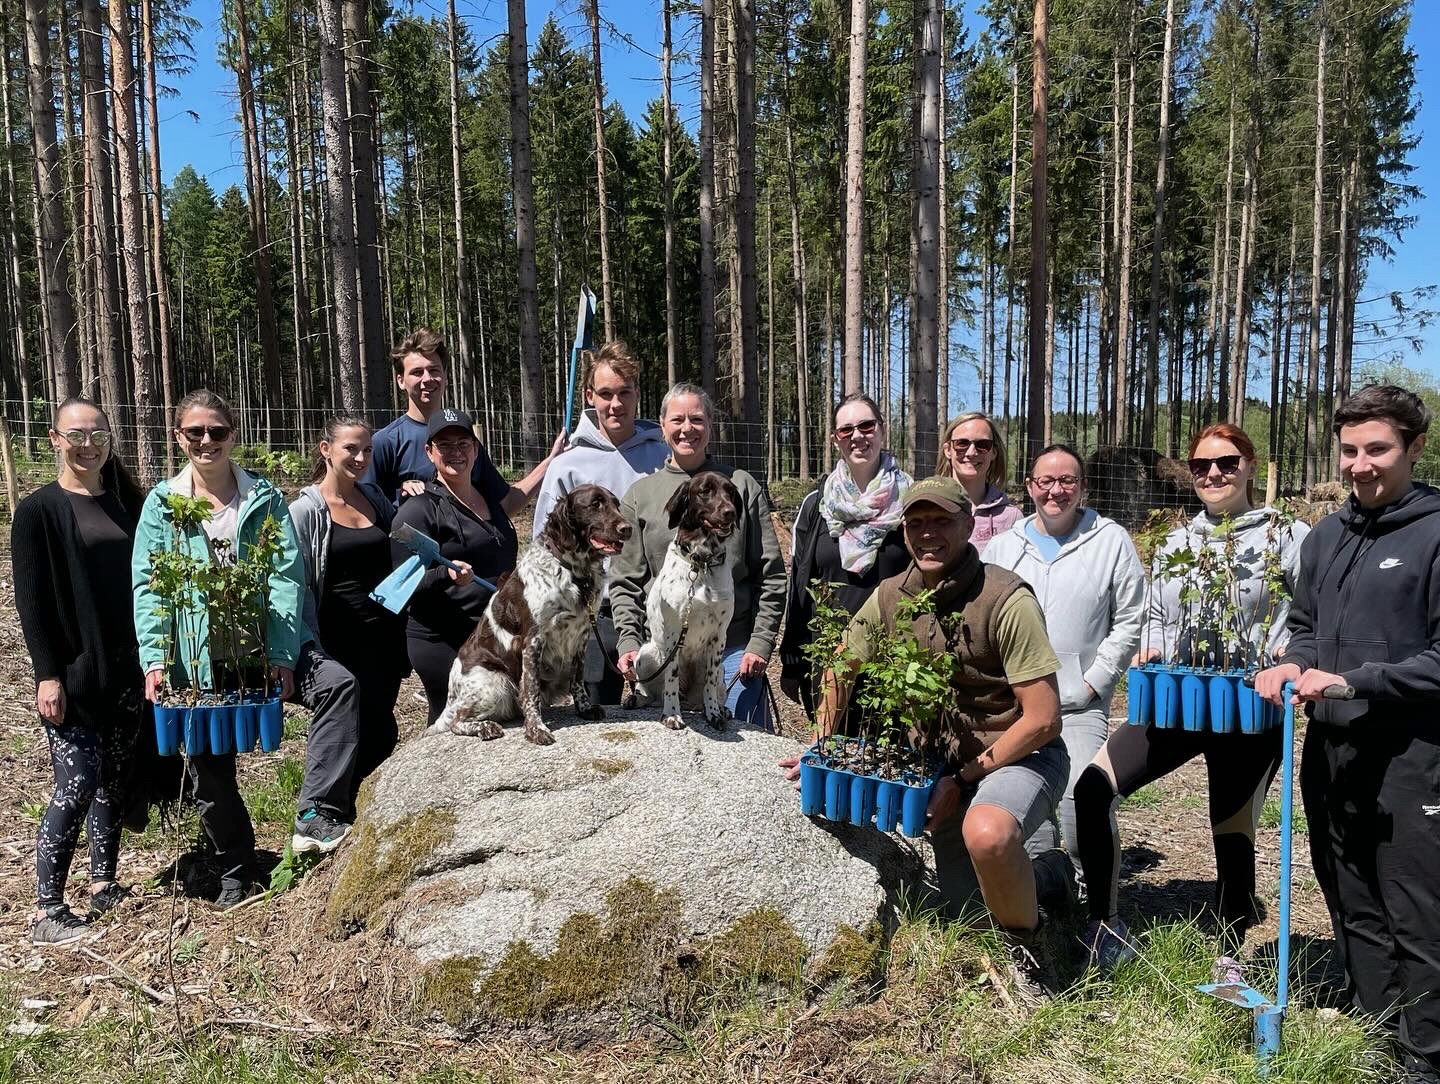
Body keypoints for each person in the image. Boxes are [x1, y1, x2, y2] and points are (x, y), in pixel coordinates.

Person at [785, 476, 1066, 1003]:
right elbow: (841, 667)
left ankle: (1033, 953)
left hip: (1018, 755)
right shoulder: (893, 595)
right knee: (965, 919)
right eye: (916, 523)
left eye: (941, 522)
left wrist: (962, 780)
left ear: (969, 525)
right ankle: (1048, 873)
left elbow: (1044, 719)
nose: (928, 534)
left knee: (988, 833)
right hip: (940, 766)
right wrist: (820, 745)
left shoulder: (1004, 599)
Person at [1072, 422, 1308, 976]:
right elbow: (1155, 617)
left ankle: (1232, 949)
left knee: (1231, 825)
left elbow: (1309, 616)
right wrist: (1150, 648)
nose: (1214, 475)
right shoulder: (1179, 541)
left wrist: (1290, 660)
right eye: (1201, 466)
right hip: (1180, 699)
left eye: (1226, 463)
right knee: (1093, 787)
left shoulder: (1287, 536)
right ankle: (1104, 924)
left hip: (1251, 704)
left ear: (1250, 465)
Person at [1255, 385, 1440, 1084]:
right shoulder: (1328, 536)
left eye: (1378, 450)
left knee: (1416, 908)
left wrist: (1352, 681)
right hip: (1329, 750)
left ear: (1415, 448)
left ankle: (1427, 1057)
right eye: (1350, 450)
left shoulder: (1434, 532)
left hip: (1414, 757)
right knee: (1352, 898)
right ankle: (1377, 1033)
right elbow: (1304, 626)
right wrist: (1293, 664)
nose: (1360, 465)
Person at [132, 391, 363, 906]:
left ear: (233, 435)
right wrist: (156, 658)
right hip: (198, 656)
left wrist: (282, 655)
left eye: (217, 431)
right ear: (179, 437)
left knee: (337, 685)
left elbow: (286, 578)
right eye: (196, 432)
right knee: (211, 770)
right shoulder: (162, 505)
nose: (207, 441)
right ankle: (236, 866)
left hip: (265, 645)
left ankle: (317, 811)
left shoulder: (263, 498)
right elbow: (148, 586)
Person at [982, 445, 1146, 907]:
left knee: (1081, 802)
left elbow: (1130, 618)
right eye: (1046, 481)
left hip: (1079, 704)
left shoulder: (1110, 540)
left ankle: (1102, 911)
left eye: (1068, 481)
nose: (1056, 490)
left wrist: (1097, 680)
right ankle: (1050, 898)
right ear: (1030, 486)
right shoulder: (1005, 546)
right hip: (1016, 709)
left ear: (1083, 487)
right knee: (1028, 817)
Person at [13, 399, 147, 943]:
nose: (88, 444)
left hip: (127, 669)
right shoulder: (38, 511)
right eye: (76, 435)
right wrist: (47, 673)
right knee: (76, 782)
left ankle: (103, 881)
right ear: (54, 439)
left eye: (97, 434)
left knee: (113, 781)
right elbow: (32, 601)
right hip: (72, 673)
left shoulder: (125, 504)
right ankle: (48, 908)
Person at [611, 383, 787, 731]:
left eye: (697, 419)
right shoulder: (641, 495)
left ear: (710, 425)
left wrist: (760, 644)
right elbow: (625, 579)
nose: (687, 428)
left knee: (746, 752)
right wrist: (629, 641)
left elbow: (772, 575)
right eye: (677, 419)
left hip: (731, 648)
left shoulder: (741, 486)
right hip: (662, 651)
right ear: (662, 426)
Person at [532, 341, 669, 705]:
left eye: (625, 392)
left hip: (659, 612)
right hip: (595, 617)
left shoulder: (664, 457)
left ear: (638, 393)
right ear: (590, 395)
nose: (616, 404)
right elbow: (545, 547)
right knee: (599, 720)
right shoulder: (568, 466)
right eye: (606, 394)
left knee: (665, 714)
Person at [289, 416, 406, 797]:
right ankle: (327, 811)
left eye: (367, 450)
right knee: (345, 730)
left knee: (381, 730)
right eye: (351, 449)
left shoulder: (373, 498)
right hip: (338, 639)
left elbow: (401, 547)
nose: (360, 457)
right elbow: (298, 582)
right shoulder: (306, 511)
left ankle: (359, 812)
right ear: (326, 450)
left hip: (384, 638)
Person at [779, 393, 912, 714]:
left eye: (866, 426)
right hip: (826, 661)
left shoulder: (912, 501)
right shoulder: (816, 505)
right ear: (835, 439)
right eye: (846, 429)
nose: (857, 436)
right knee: (828, 757)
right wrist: (792, 659)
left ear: (882, 430)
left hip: (892, 664)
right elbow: (800, 582)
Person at [389, 407, 515, 724]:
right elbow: (399, 587)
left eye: (463, 444)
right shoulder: (418, 510)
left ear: (475, 449)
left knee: (495, 721)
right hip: (443, 640)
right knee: (453, 724)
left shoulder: (490, 502)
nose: (455, 452)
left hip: (492, 634)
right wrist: (445, 575)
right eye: (444, 445)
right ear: (429, 452)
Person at [366, 326, 560, 507]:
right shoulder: (386, 443)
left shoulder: (464, 440)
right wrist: (401, 495)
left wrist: (551, 461)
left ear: (445, 377)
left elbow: (506, 503)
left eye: (434, 370)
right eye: (417, 372)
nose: (427, 379)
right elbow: (366, 510)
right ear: (401, 381)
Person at [935, 411, 1021, 553]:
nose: (971, 452)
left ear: (994, 452)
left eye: (983, 445)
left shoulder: (1012, 518)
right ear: (948, 450)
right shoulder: (928, 506)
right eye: (962, 443)